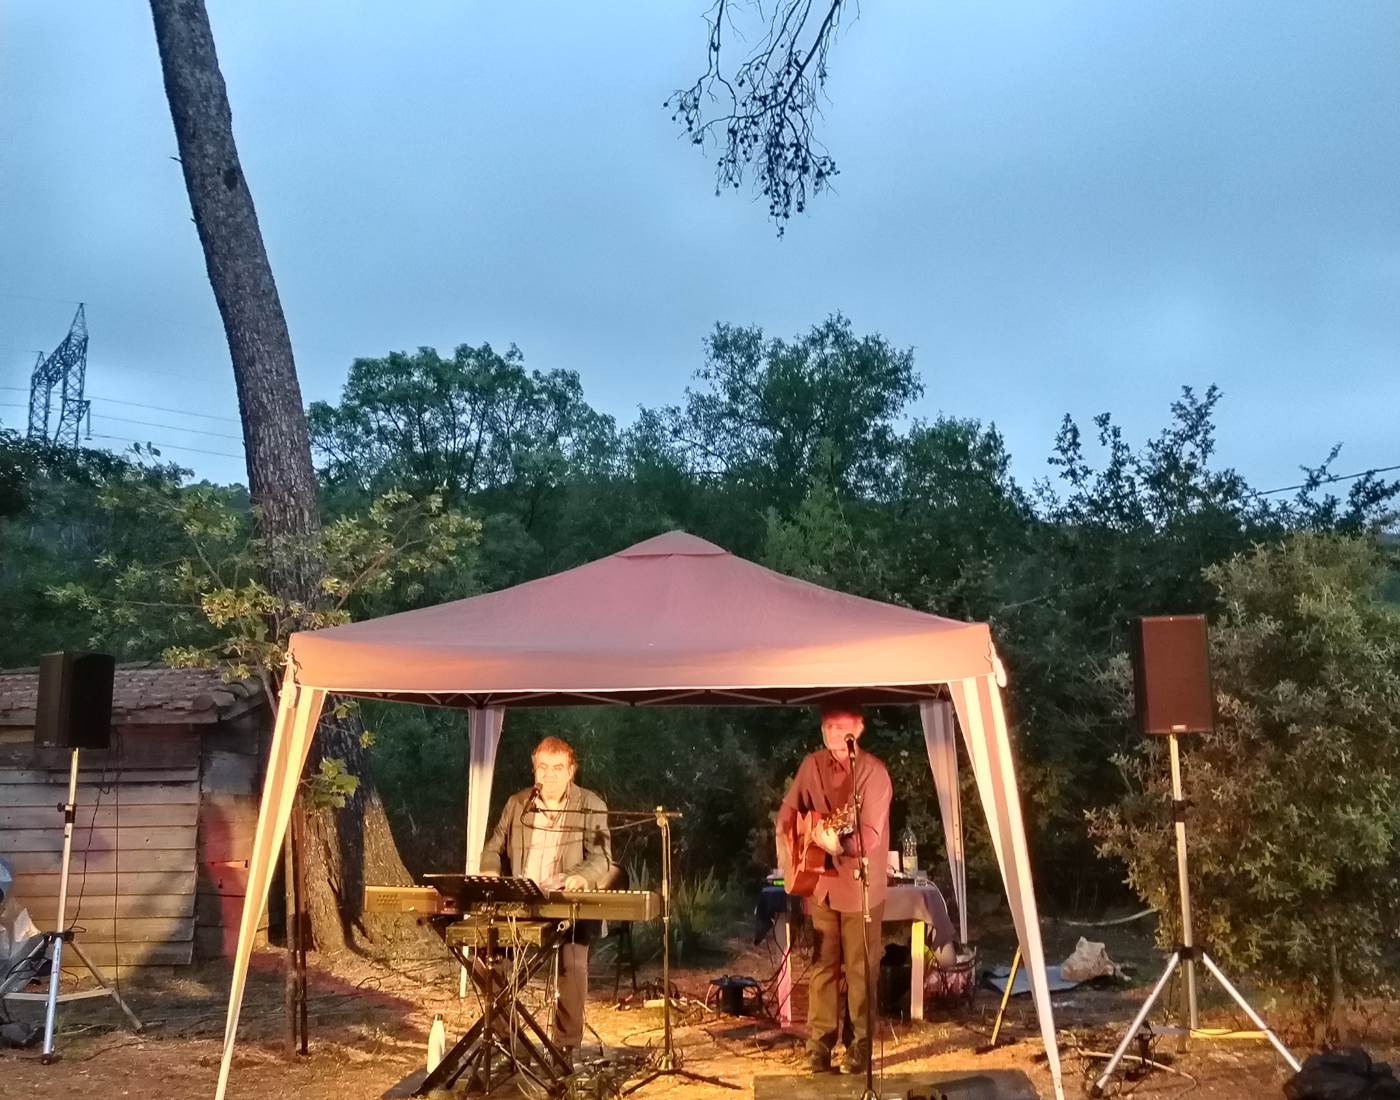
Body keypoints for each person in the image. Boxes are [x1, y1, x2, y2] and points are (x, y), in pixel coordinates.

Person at [480, 736, 613, 1064]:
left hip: (567, 903)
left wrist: (581, 877)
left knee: (573, 964)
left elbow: (601, 858)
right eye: (543, 768)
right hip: (523, 901)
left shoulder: (590, 804)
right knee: (488, 958)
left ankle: (565, 1048)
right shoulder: (517, 804)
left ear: (571, 771)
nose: (550, 776)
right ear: (534, 770)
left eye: (557, 768)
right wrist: (490, 871)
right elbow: (493, 848)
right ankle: (507, 1042)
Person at [777, 704, 892, 1075]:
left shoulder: (873, 773)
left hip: (860, 886)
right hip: (821, 883)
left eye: (842, 727)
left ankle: (860, 1046)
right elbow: (787, 813)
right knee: (823, 966)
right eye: (828, 726)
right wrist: (792, 846)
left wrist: (838, 846)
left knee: (860, 970)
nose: (834, 733)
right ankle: (819, 1046)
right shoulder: (811, 765)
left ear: (859, 729)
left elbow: (870, 836)